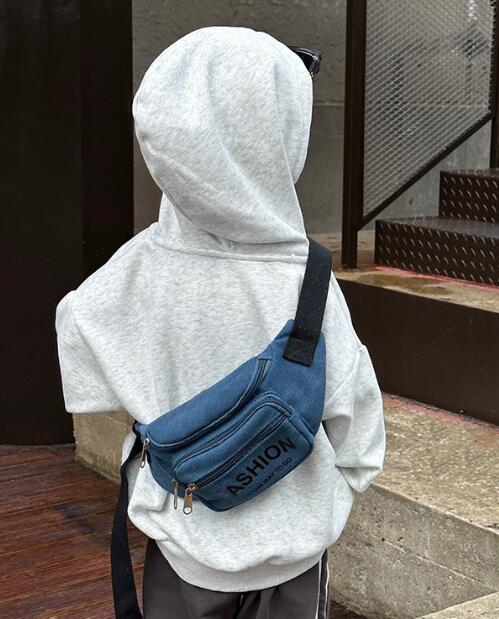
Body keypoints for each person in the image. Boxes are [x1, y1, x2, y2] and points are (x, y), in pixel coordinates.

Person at [55, 26, 385, 619]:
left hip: (180, 536)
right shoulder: (307, 277)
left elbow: (84, 374)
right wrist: (333, 491)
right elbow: (357, 429)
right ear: (282, 134)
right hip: (291, 552)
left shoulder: (132, 271)